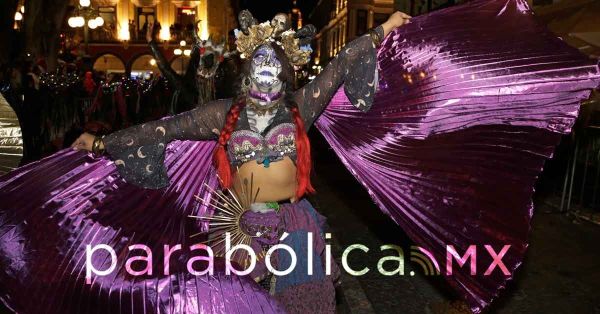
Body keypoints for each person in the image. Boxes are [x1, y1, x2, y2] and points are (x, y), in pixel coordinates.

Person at [1, 1, 600, 313]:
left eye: (273, 70)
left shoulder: (301, 108)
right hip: (236, 233)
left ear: (282, 75)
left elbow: (343, 64)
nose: (264, 78)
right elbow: (161, 130)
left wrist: (385, 32)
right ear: (244, 73)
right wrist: (101, 142)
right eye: (255, 69)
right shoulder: (222, 117)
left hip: (296, 231)